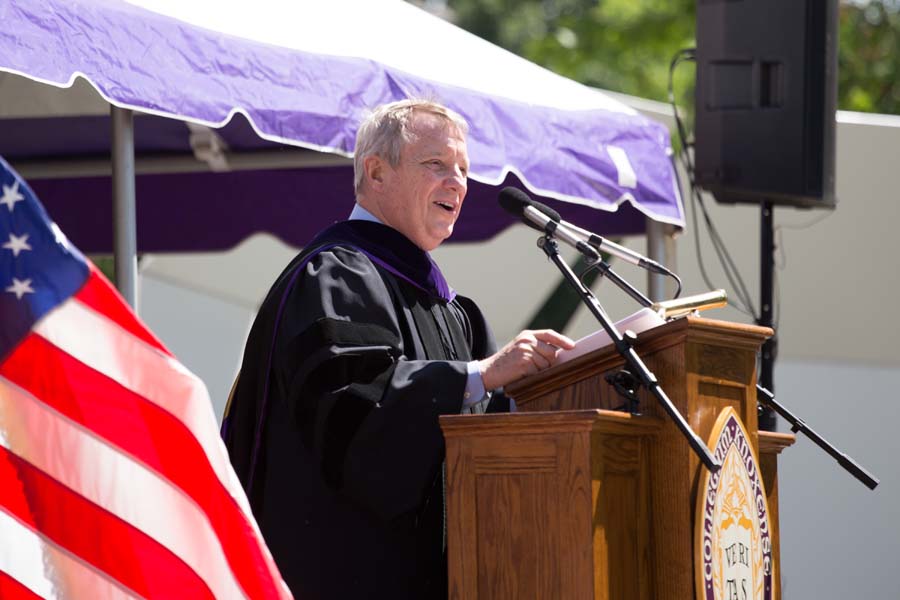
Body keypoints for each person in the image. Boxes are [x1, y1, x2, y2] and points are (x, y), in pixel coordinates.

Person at [222, 99, 574, 599]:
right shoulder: (335, 276)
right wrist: (478, 375)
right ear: (377, 172)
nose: (457, 182)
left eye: (464, 170)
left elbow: (484, 437)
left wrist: (542, 389)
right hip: (343, 576)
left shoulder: (451, 310)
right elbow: (354, 417)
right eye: (436, 164)